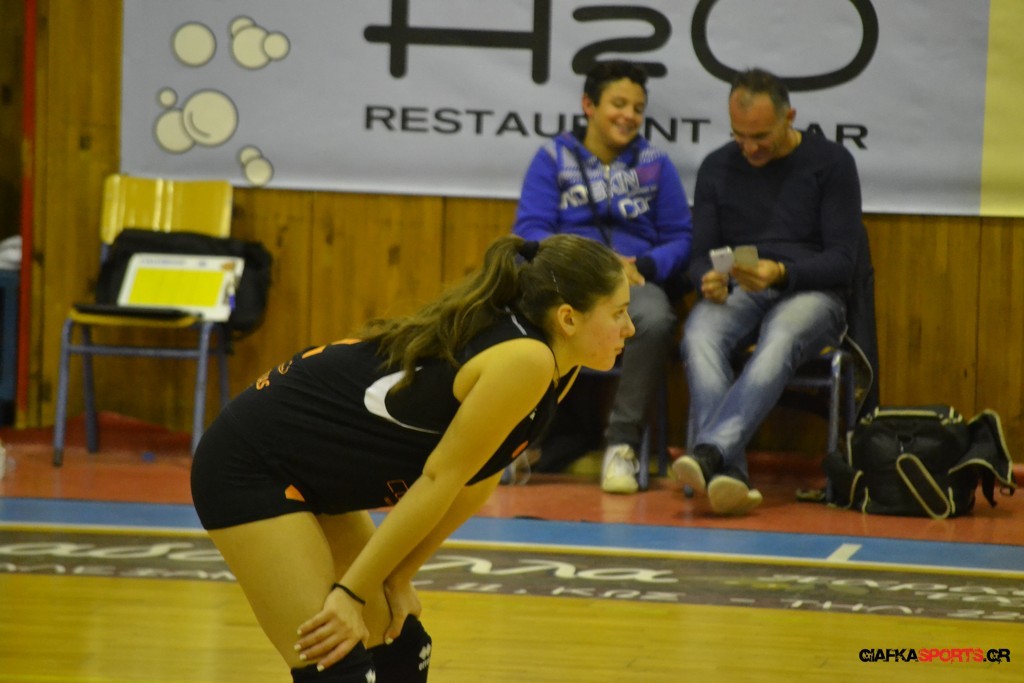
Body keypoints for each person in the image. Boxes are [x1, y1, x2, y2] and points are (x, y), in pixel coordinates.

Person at [190, 233, 634, 682]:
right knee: (334, 660)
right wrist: (351, 594)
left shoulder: (559, 366)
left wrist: (398, 577)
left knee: (401, 647)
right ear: (567, 318)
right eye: (618, 313)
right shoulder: (527, 360)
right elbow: (439, 479)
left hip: (314, 467)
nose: (630, 328)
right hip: (249, 464)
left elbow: (475, 481)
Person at [672, 67, 863, 515]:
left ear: (789, 118)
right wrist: (707, 278)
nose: (750, 147)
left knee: (780, 338)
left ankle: (711, 451)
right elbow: (699, 255)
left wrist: (781, 272)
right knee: (698, 335)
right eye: (739, 135)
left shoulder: (831, 163)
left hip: (813, 291)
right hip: (741, 285)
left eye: (760, 136)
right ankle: (730, 475)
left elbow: (843, 260)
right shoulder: (717, 166)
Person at [512, 59, 692, 494]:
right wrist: (585, 261)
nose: (629, 115)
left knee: (655, 319)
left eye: (638, 108)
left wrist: (644, 267)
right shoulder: (552, 157)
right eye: (618, 104)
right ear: (589, 106)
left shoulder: (655, 163)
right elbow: (531, 230)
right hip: (568, 280)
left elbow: (680, 237)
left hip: (634, 281)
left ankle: (622, 447)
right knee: (517, 313)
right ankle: (514, 440)